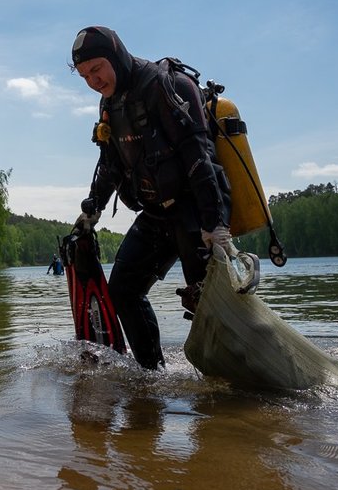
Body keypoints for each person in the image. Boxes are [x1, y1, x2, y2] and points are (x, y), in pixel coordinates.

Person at [70, 26, 232, 370]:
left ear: (115, 56)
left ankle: (231, 401)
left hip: (195, 208)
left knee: (208, 305)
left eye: (97, 69)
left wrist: (214, 225)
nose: (93, 80)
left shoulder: (165, 85)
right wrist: (92, 211)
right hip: (157, 214)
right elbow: (110, 165)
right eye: (85, 76)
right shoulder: (109, 105)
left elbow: (199, 156)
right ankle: (152, 377)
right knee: (123, 291)